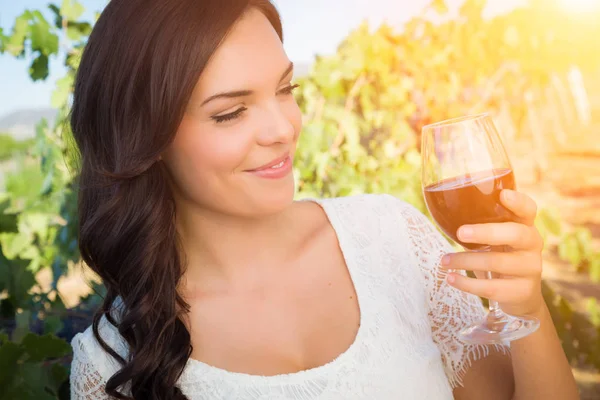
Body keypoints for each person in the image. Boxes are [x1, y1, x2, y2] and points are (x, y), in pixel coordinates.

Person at [68, 0, 578, 399]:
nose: (283, 128)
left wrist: (527, 307)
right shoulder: (111, 363)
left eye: (285, 89)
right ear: (146, 140)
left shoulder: (392, 238)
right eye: (230, 113)